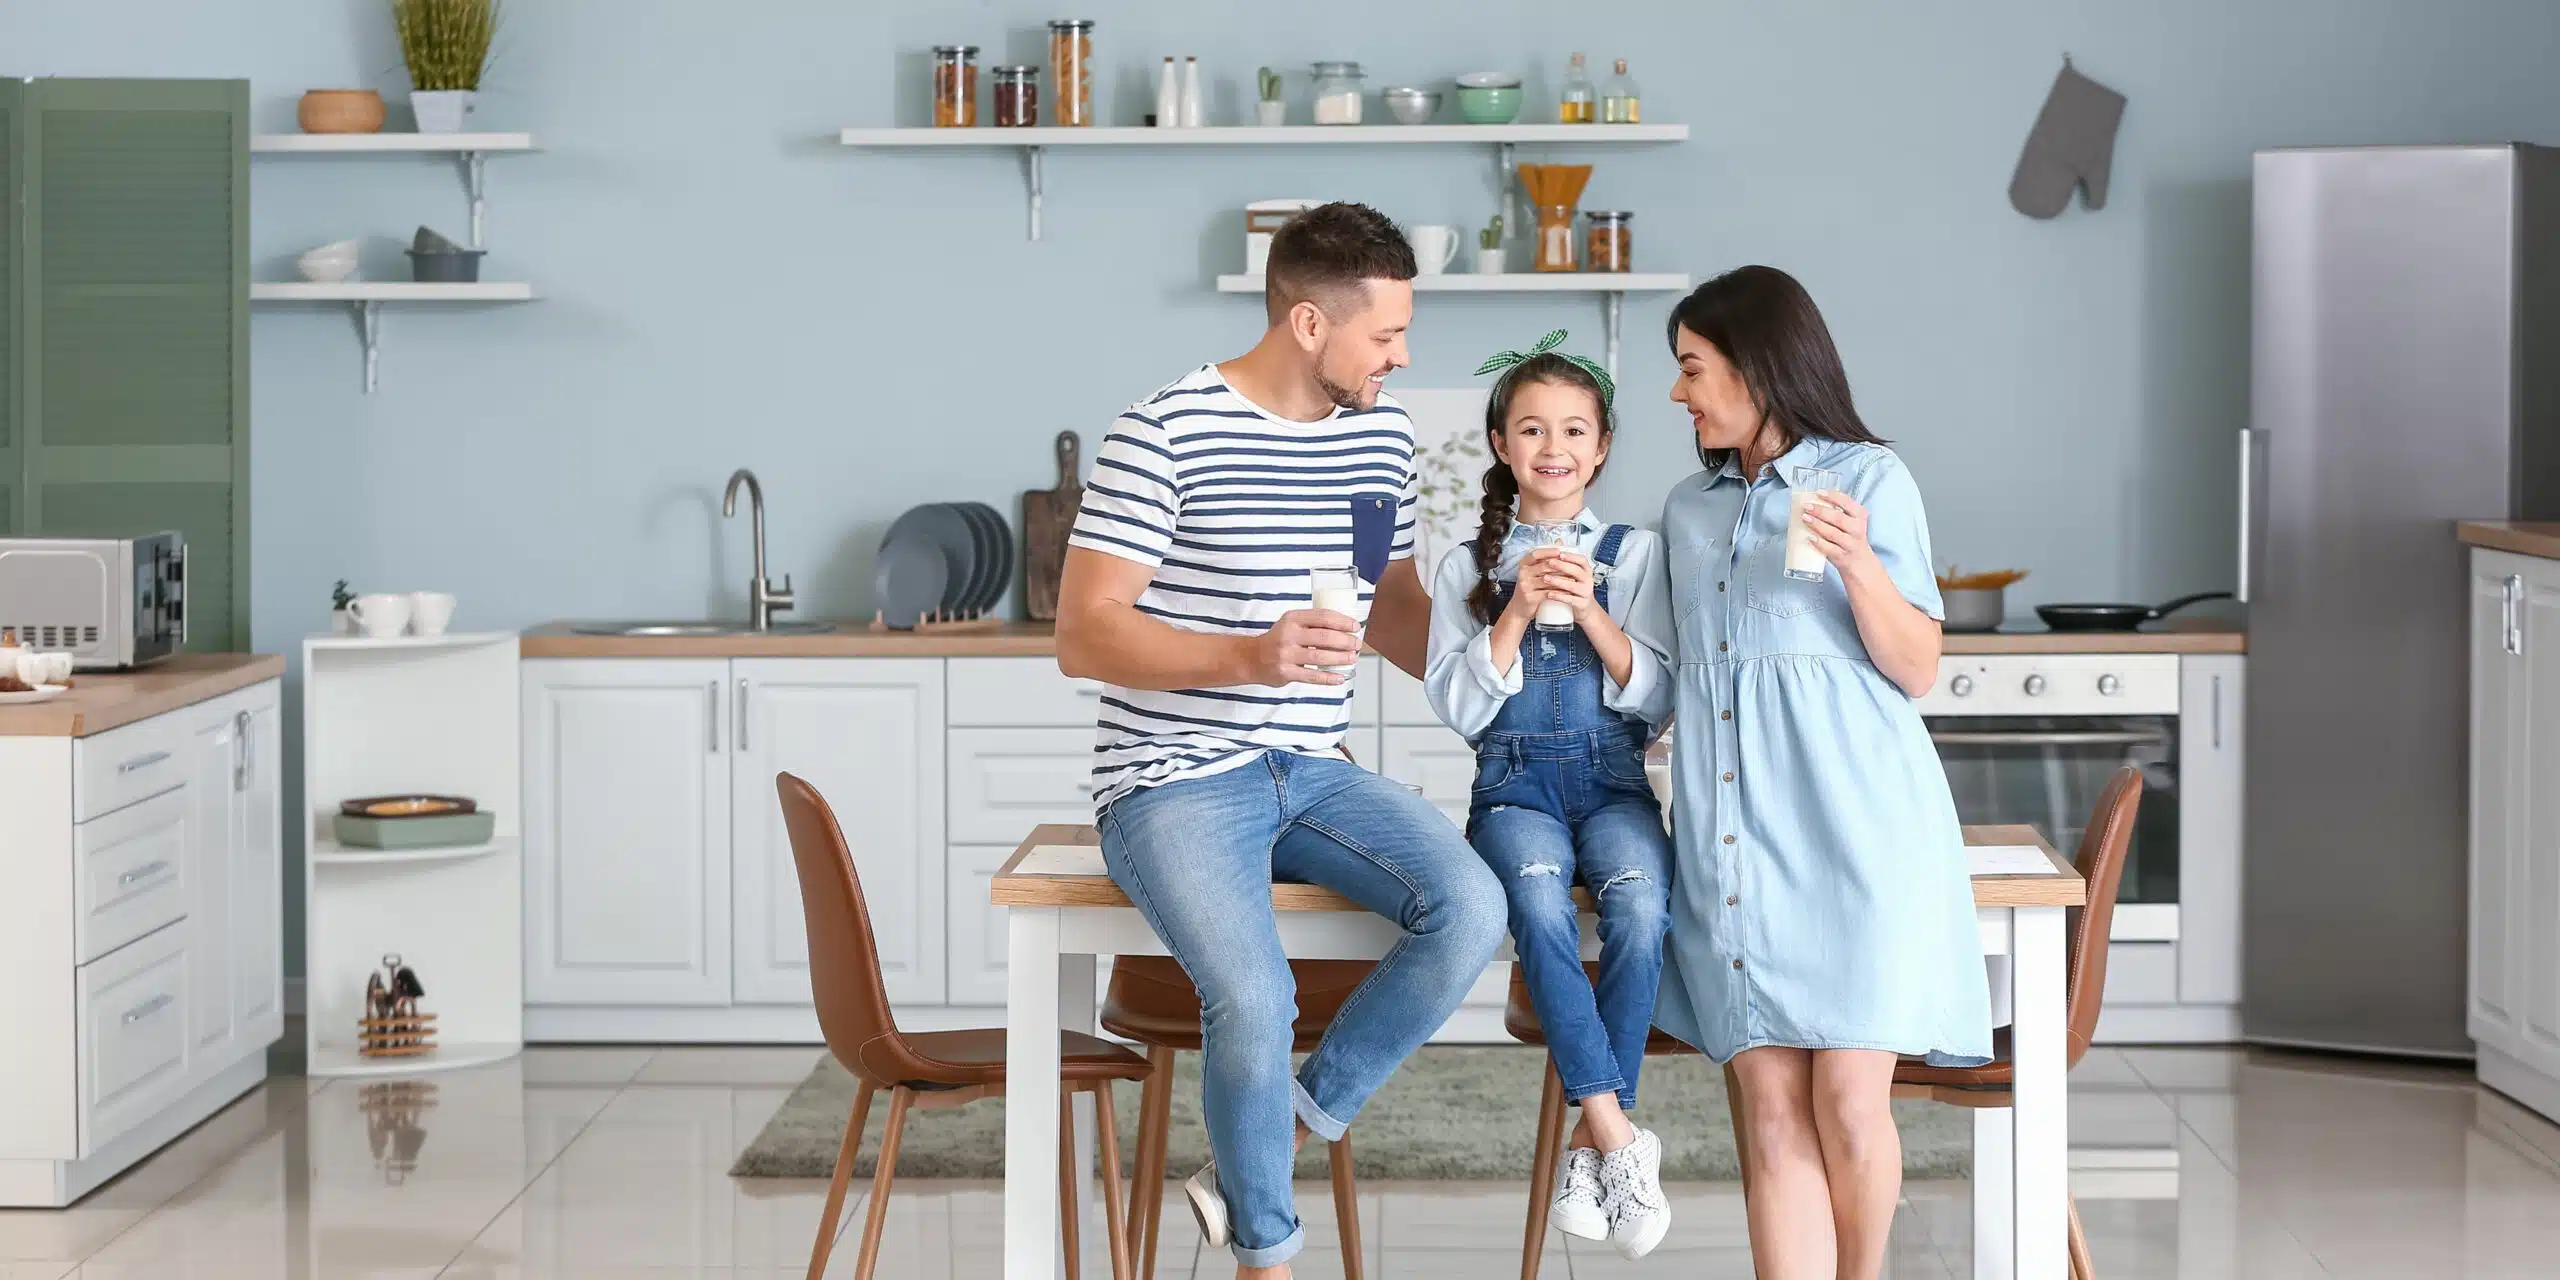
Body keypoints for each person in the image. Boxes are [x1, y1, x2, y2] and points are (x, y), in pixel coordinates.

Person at [1054, 202, 1508, 1280]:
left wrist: (1503, 664)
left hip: (1312, 769)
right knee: (1254, 993)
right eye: (1385, 335)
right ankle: (1267, 1255)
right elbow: (1084, 632)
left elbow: (1388, 602)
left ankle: (1272, 1143)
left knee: (1471, 906)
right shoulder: (1162, 428)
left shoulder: (1377, 435)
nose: (1400, 356)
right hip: (1170, 780)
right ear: (1310, 322)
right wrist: (1246, 657)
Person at [1652, 266, 1993, 1280]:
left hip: (1860, 832)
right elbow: (1671, 674)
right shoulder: (1687, 507)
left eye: (1692, 367)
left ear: (1758, 365)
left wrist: (1859, 565)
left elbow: (1918, 664)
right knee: (1766, 1103)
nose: (1679, 393)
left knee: (1849, 1094)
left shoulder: (1870, 479)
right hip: (1732, 838)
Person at [1421, 330, 1678, 1259]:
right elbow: (1456, 707)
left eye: (1574, 430)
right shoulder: (1465, 568)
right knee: (1534, 897)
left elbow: (1658, 698)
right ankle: (1617, 1135)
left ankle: (1588, 1141)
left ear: (1601, 445)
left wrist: (1597, 613)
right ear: (1502, 444)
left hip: (1615, 782)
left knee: (1645, 909)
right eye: (1532, 430)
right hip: (1514, 785)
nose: (1554, 448)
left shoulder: (1635, 551)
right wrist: (1519, 606)